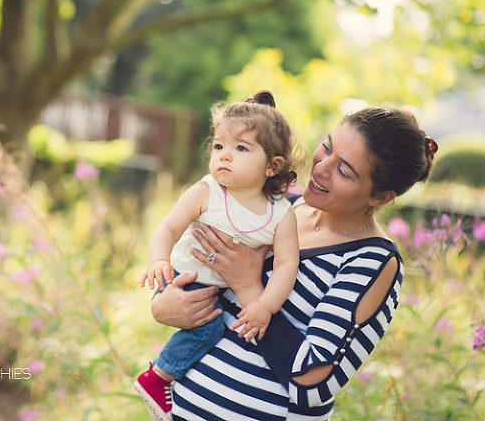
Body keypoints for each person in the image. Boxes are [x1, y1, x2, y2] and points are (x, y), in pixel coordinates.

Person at [150, 106, 438, 420]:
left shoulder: (373, 262)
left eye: (344, 170)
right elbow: (194, 269)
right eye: (326, 147)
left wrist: (249, 286)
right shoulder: (274, 207)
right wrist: (164, 305)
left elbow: (313, 383)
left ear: (379, 197)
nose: (321, 168)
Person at [134, 91, 304, 421]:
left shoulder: (281, 214)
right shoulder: (207, 191)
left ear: (273, 166)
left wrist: (264, 306)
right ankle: (157, 379)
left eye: (241, 148)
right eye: (219, 146)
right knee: (207, 330)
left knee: (215, 326)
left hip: (221, 291)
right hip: (185, 281)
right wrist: (158, 260)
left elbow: (287, 264)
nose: (224, 156)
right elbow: (167, 228)